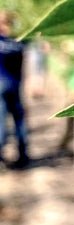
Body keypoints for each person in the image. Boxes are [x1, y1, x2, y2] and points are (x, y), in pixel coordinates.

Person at [0, 10, 29, 168]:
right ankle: (23, 154)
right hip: (15, 84)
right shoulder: (18, 41)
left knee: (1, 120)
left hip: (0, 84)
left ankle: (1, 155)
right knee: (19, 119)